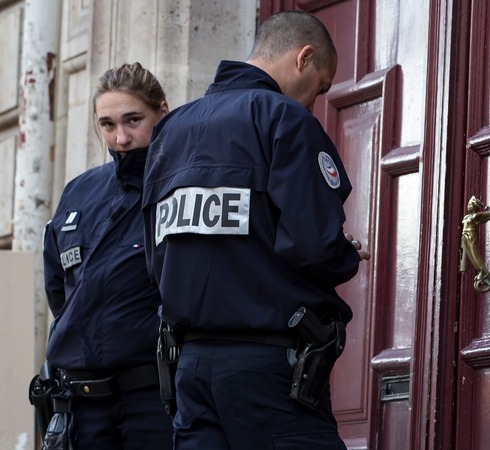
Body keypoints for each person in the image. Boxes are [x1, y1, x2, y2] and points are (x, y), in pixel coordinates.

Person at [141, 10, 369, 450]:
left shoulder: (171, 130)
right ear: (303, 57)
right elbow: (315, 246)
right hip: (269, 369)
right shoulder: (284, 119)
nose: (314, 101)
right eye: (320, 87)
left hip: (189, 370)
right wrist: (343, 253)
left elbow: (156, 257)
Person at [41, 63, 174, 448]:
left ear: (161, 113)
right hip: (81, 407)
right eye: (107, 124)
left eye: (133, 120)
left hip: (154, 401)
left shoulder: (180, 185)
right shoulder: (79, 192)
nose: (121, 137)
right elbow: (60, 290)